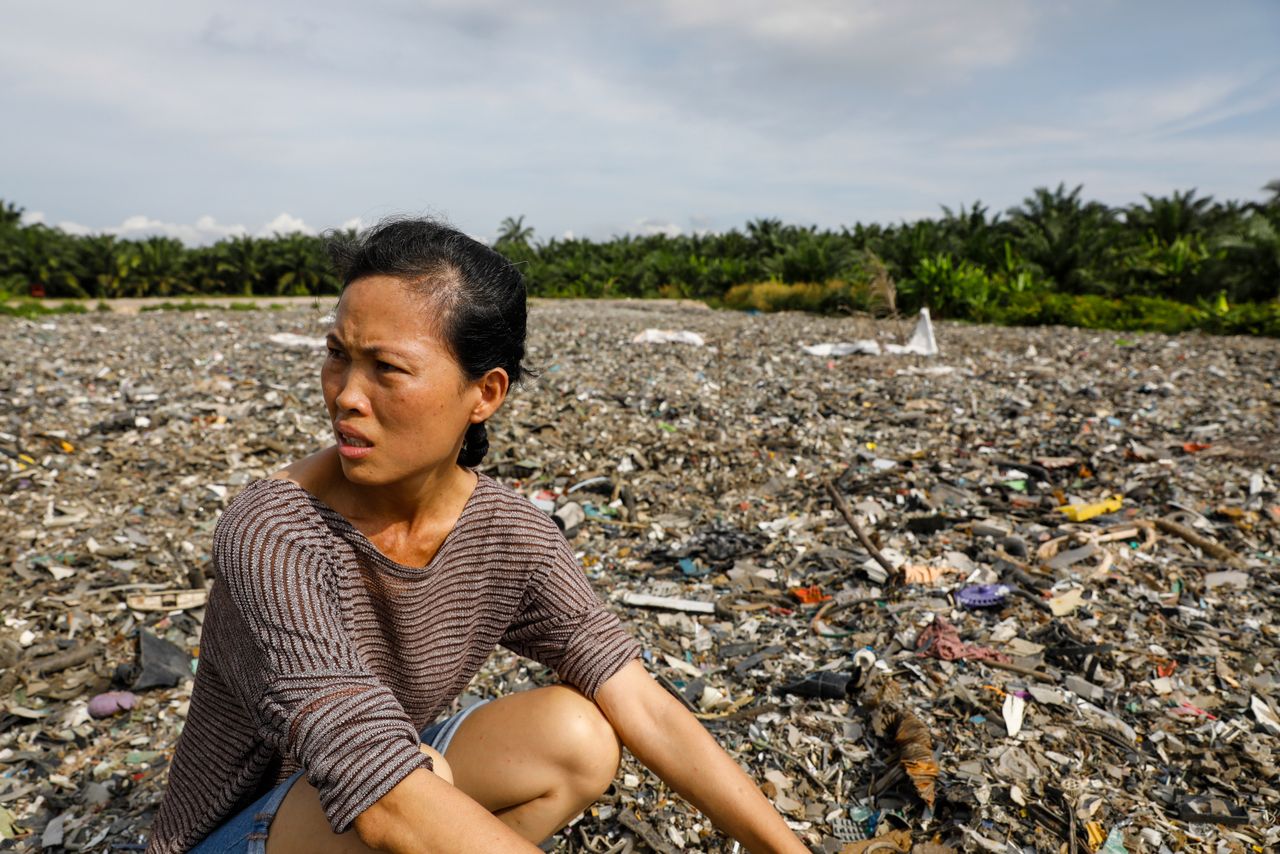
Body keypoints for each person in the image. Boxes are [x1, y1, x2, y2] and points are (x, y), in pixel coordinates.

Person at [147, 218, 807, 853]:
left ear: (485, 393)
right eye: (337, 356)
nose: (346, 395)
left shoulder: (508, 534)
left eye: (387, 368)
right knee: (416, 780)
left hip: (377, 789)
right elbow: (377, 789)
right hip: (241, 833)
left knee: (577, 738)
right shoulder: (275, 532)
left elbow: (640, 701)